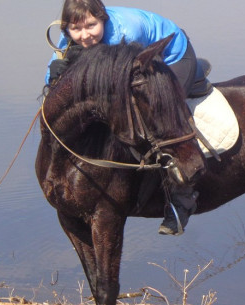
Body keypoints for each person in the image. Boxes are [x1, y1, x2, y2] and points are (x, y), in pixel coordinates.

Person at [45, 0, 200, 236]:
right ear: (67, 28)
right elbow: (54, 79)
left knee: (163, 112)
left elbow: (115, 76)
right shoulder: (73, 35)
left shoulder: (125, 32)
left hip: (172, 56)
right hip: (133, 58)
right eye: (76, 29)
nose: (84, 36)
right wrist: (56, 73)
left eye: (91, 26)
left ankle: (182, 200)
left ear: (103, 19)